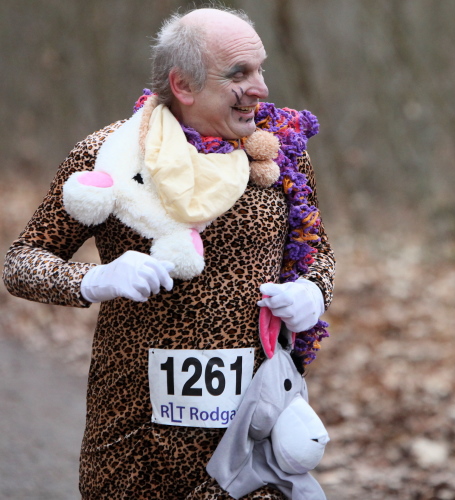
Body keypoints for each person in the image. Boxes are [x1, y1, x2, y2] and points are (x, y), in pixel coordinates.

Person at [3, 6, 334, 500]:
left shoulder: (278, 153)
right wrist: (93, 280)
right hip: (135, 436)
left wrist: (313, 291)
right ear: (183, 85)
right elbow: (21, 262)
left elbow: (319, 252)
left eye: (261, 69)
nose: (261, 88)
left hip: (252, 432)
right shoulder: (110, 157)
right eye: (239, 74)